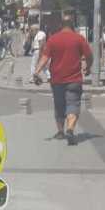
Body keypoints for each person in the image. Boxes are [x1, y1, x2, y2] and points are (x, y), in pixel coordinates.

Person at [33, 13, 93, 146]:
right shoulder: (79, 39)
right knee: (73, 104)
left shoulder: (53, 39)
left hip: (57, 80)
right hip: (74, 79)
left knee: (59, 106)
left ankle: (61, 132)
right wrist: (88, 67)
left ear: (61, 26)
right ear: (73, 26)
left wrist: (36, 72)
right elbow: (89, 56)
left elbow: (44, 58)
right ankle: (70, 129)